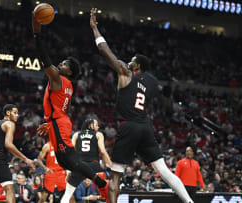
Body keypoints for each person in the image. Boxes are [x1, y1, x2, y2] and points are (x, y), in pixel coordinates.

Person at [89, 8, 193, 203]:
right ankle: (189, 201)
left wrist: (95, 29)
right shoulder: (152, 81)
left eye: (132, 61)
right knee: (163, 170)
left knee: (116, 175)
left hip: (128, 126)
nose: (128, 62)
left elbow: (104, 51)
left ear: (136, 66)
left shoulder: (126, 73)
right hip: (145, 126)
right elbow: (161, 100)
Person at [32, 14, 107, 203]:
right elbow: (61, 106)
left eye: (65, 64)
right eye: (62, 62)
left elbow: (44, 57)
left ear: (69, 71)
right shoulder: (69, 85)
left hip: (58, 122)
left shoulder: (57, 78)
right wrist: (50, 123)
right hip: (59, 121)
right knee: (67, 162)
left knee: (72, 161)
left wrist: (36, 34)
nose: (61, 63)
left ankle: (102, 184)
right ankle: (100, 182)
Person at [62, 118, 112, 202]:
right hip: (94, 166)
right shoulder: (98, 134)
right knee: (106, 190)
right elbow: (103, 152)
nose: (98, 127)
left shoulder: (76, 135)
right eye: (96, 125)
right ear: (90, 125)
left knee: (67, 194)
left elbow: (70, 153)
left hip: (79, 166)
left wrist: (68, 171)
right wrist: (111, 165)